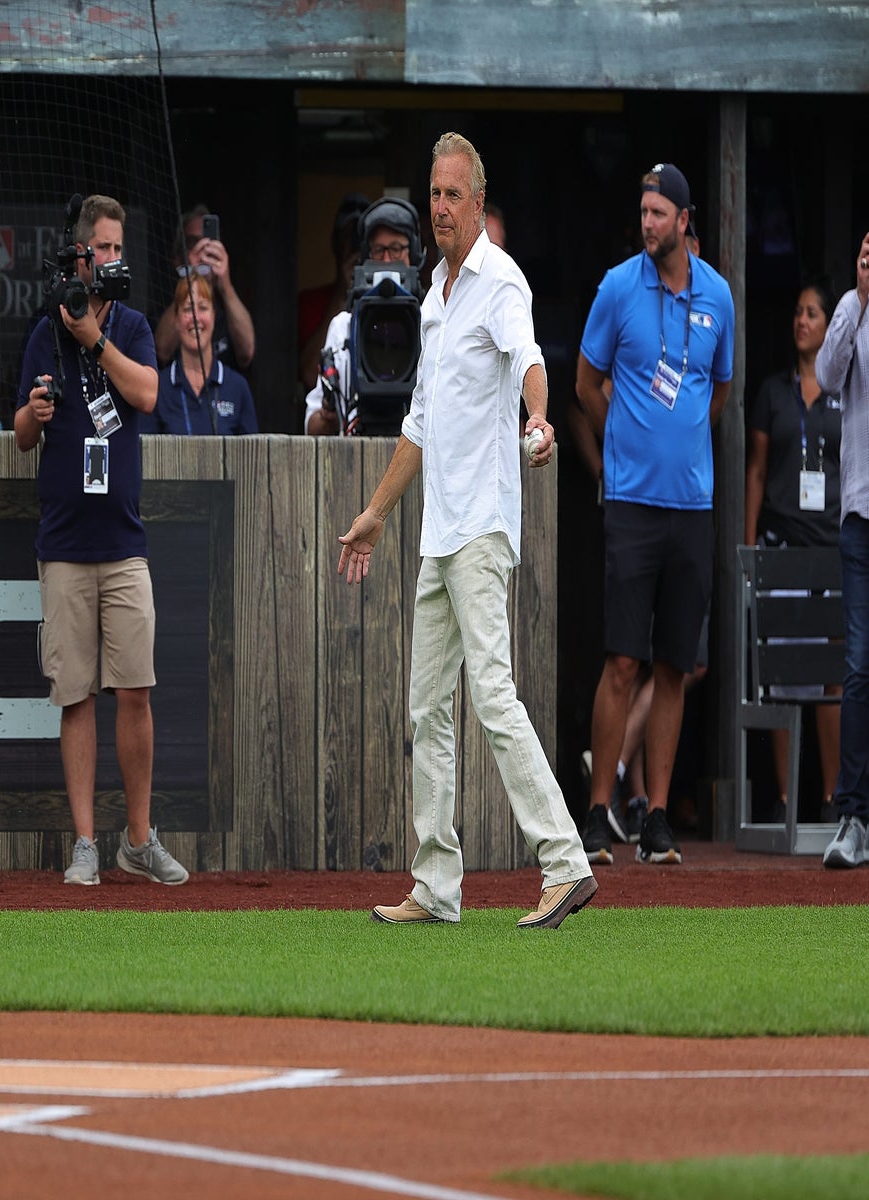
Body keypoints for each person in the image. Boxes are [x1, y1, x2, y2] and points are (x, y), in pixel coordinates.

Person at [337, 132, 596, 931]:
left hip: (482, 525)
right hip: (435, 535)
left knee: (490, 693)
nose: (440, 207)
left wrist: (543, 419)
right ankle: (437, 886)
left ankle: (565, 861)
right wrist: (376, 515)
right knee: (426, 711)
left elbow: (531, 361)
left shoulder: (500, 281)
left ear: (479, 203)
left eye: (453, 195)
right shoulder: (434, 299)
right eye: (434, 194)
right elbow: (418, 423)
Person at [15, 193, 189, 888]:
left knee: (137, 690)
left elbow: (148, 394)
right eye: (104, 249)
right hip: (62, 543)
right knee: (77, 696)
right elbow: (24, 437)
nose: (113, 260)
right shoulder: (41, 333)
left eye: (121, 249)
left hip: (123, 542)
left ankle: (138, 839)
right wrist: (30, 413)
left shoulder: (136, 327)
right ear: (80, 255)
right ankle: (86, 841)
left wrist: (96, 341)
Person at [576, 163, 734, 866]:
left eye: (658, 213)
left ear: (684, 220)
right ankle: (597, 811)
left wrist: (683, 446)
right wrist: (624, 442)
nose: (647, 223)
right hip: (633, 504)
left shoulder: (719, 297)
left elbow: (719, 391)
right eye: (642, 211)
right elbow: (584, 381)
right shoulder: (617, 286)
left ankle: (660, 817)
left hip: (692, 509)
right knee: (621, 660)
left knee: (674, 665)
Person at [745, 278, 842, 820]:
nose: (801, 321)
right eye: (798, 313)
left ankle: (831, 800)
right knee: (780, 672)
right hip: (780, 545)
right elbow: (756, 471)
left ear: (830, 327)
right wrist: (748, 545)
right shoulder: (772, 391)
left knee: (832, 674)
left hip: (831, 544)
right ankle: (784, 800)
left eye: (812, 313)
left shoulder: (845, 391)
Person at [816, 234, 869, 869]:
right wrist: (856, 299)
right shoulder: (851, 310)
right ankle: (853, 817)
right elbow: (827, 376)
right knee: (859, 666)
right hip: (858, 514)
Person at [302, 195, 425, 437]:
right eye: (379, 250)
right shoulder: (343, 326)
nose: (387, 261)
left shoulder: (432, 321)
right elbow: (311, 426)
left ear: (414, 254)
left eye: (397, 249)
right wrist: (329, 416)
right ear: (366, 257)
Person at [142, 272, 258, 435]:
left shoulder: (238, 387)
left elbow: (252, 454)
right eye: (188, 309)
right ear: (175, 319)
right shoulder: (158, 388)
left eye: (203, 308)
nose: (195, 317)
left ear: (214, 316)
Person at [153, 204, 255, 371]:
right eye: (194, 243)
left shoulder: (226, 310)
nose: (203, 252)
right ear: (178, 259)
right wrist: (191, 275)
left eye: (209, 243)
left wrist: (225, 283)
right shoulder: (164, 308)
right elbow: (162, 350)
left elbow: (247, 353)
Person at [298, 192, 370, 388]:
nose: (355, 246)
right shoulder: (310, 302)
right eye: (349, 236)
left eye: (361, 238)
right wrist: (342, 295)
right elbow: (310, 376)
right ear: (335, 243)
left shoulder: (390, 300)